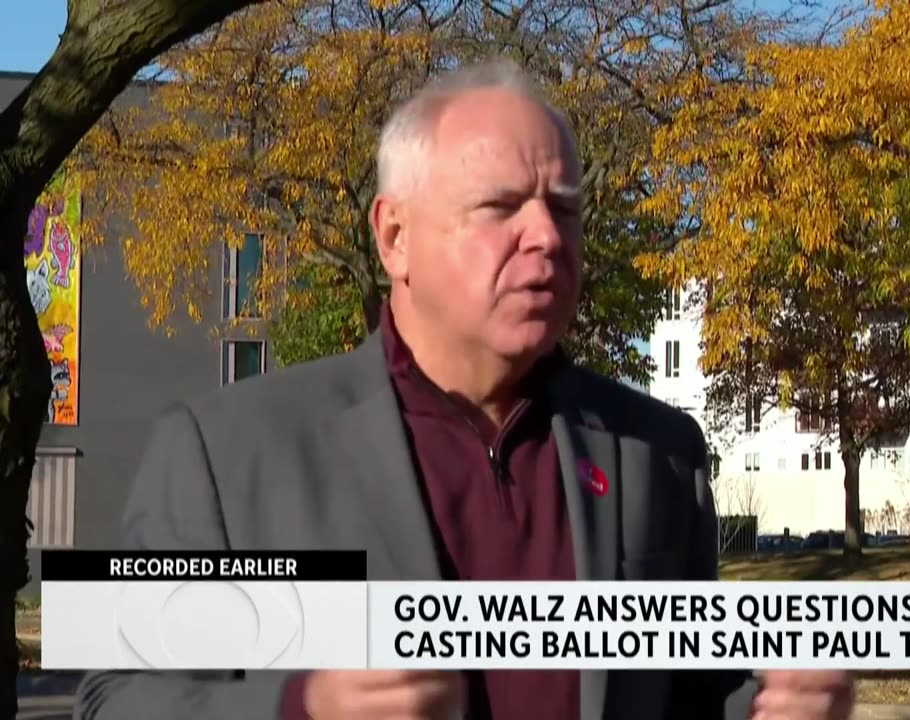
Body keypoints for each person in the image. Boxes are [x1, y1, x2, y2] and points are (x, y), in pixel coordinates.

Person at [74, 58, 855, 720]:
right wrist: (298, 706)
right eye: (500, 208)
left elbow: (688, 692)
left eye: (565, 209)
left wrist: (765, 704)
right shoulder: (229, 452)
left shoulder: (658, 452)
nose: (547, 237)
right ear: (395, 237)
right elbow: (117, 697)